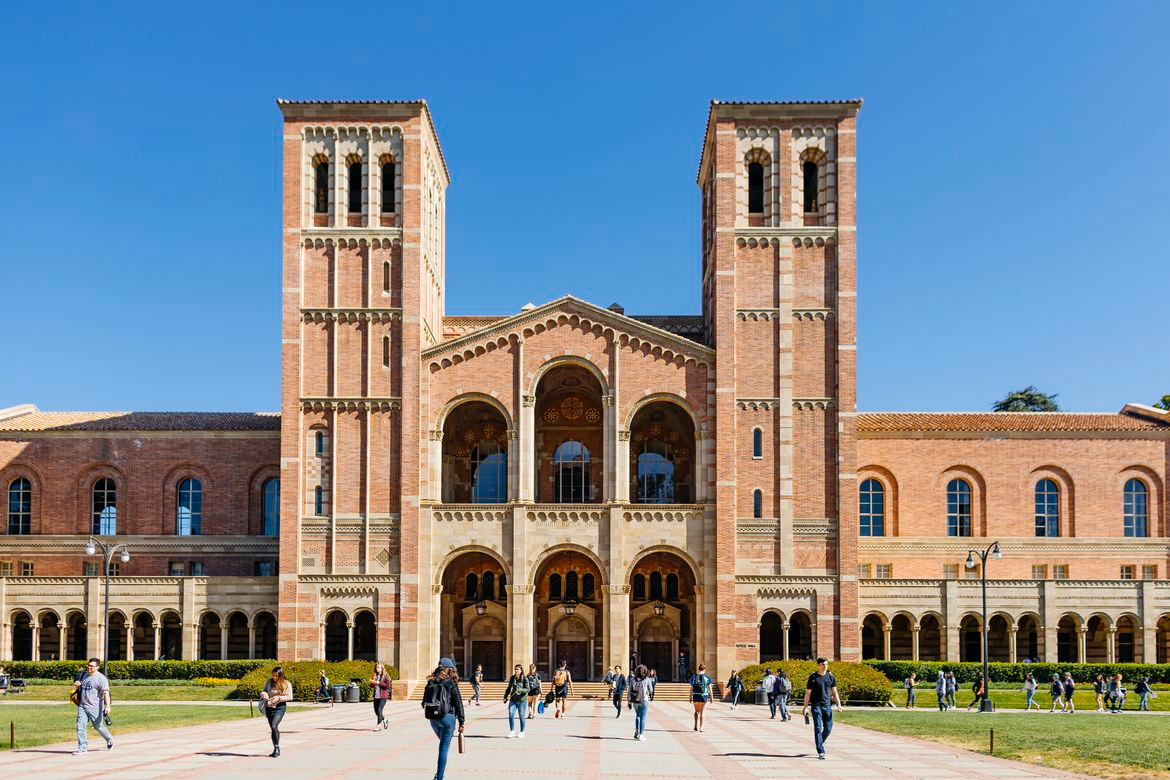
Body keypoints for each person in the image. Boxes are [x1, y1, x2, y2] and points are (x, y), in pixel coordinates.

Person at [421, 657, 465, 780]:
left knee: (443, 745)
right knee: (444, 748)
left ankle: (439, 775)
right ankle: (439, 777)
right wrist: (462, 721)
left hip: (433, 719)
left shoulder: (430, 682)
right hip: (447, 718)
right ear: (451, 668)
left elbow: (423, 702)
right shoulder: (451, 683)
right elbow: (458, 703)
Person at [801, 657, 842, 760]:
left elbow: (834, 691)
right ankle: (821, 750)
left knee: (828, 728)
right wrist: (805, 707)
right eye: (823, 664)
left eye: (826, 664)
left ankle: (819, 742)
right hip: (816, 706)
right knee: (818, 728)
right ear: (818, 665)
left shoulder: (831, 677)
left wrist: (839, 704)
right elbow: (808, 693)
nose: (825, 666)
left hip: (827, 706)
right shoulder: (813, 677)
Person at [72, 658, 113, 755]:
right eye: (88, 665)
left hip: (95, 707)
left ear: (97, 667)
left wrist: (108, 707)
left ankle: (109, 738)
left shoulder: (101, 678)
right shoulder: (83, 675)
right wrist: (77, 685)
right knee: (80, 726)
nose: (89, 667)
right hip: (82, 705)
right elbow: (79, 685)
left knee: (98, 726)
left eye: (91, 666)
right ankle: (82, 747)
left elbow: (106, 693)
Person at [259, 665, 293, 758]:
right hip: (269, 706)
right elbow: (264, 691)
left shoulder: (286, 683)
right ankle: (275, 748)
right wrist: (264, 694)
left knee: (274, 725)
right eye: (273, 675)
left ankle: (277, 748)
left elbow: (290, 697)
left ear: (281, 675)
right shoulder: (269, 682)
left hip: (280, 707)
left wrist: (278, 698)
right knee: (272, 729)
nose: (274, 677)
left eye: (276, 676)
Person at [503, 663, 530, 738]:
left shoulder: (524, 678)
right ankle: (512, 731)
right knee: (511, 713)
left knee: (521, 716)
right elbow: (509, 688)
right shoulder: (512, 678)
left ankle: (522, 732)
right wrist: (505, 696)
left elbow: (528, 689)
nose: (515, 670)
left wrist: (520, 690)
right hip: (513, 700)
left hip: (522, 701)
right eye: (515, 669)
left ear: (521, 670)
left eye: (517, 669)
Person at [628, 664, 651, 740]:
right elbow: (651, 690)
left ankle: (637, 731)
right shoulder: (647, 679)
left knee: (638, 715)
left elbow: (629, 690)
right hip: (644, 699)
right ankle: (641, 734)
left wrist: (629, 701)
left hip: (635, 699)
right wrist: (648, 691)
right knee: (643, 717)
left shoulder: (632, 679)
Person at [689, 663, 712, 732]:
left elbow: (691, 688)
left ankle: (695, 725)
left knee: (696, 711)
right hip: (703, 696)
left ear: (698, 669)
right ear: (704, 669)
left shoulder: (694, 677)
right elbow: (710, 688)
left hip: (695, 695)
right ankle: (701, 728)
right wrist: (712, 697)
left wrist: (690, 697)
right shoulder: (707, 677)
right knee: (702, 712)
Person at [370, 661, 392, 731]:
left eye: (378, 667)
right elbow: (371, 686)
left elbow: (387, 686)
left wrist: (379, 682)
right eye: (376, 667)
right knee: (376, 712)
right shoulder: (374, 675)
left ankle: (378, 726)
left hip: (383, 696)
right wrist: (372, 683)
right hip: (376, 696)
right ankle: (385, 719)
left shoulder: (386, 676)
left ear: (382, 668)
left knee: (379, 710)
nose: (377, 668)